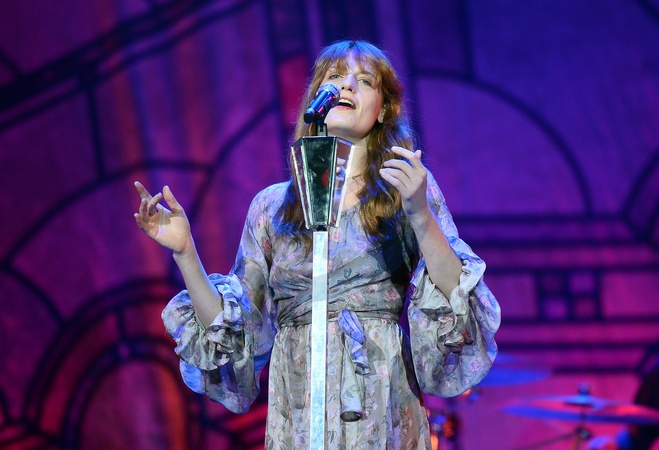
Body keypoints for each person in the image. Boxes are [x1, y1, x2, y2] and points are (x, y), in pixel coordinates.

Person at [133, 40, 500, 449]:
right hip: (299, 410)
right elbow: (233, 332)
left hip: (379, 405)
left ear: (382, 110)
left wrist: (420, 216)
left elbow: (457, 299)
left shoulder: (406, 191)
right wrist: (185, 252)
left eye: (365, 81)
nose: (347, 86)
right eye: (335, 76)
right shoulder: (271, 207)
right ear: (316, 99)